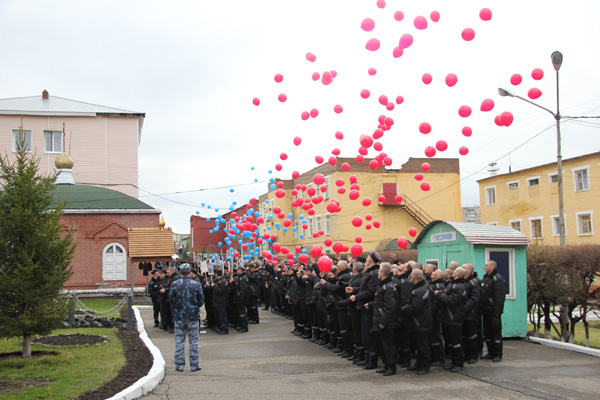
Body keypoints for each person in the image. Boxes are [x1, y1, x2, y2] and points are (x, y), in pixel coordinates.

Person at [169, 263, 205, 372]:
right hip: (193, 316)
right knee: (194, 341)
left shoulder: (174, 284)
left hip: (179, 316)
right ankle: (194, 364)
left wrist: (177, 307)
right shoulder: (196, 284)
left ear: (180, 272)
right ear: (190, 272)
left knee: (179, 340)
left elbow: (171, 300)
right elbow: (201, 300)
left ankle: (179, 365)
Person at [399, 269, 432, 375]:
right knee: (418, 345)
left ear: (413, 277)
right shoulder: (421, 288)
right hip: (419, 321)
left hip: (421, 321)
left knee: (423, 346)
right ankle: (418, 363)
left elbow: (415, 308)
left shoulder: (419, 291)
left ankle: (425, 366)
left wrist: (402, 310)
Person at [435, 267, 467, 372]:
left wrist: (439, 294)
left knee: (456, 342)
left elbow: (450, 301)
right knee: (451, 342)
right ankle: (453, 362)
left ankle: (458, 363)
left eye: (455, 271)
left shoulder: (459, 287)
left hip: (454, 317)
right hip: (448, 317)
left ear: (457, 274)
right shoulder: (452, 284)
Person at [371, 262, 397, 376]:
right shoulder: (381, 285)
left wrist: (383, 322)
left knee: (388, 345)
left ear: (382, 273)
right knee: (382, 345)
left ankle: (391, 367)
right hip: (379, 319)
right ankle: (386, 365)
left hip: (386, 322)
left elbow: (389, 307)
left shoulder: (389, 287)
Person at [480, 260, 506, 362]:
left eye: (486, 265)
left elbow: (499, 297)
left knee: (495, 334)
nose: (484, 267)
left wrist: (497, 312)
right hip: (485, 311)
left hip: (494, 312)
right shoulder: (485, 277)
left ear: (492, 268)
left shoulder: (497, 279)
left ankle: (498, 354)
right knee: (487, 333)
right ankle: (490, 352)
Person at [462, 263, 481, 364]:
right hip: (462, 314)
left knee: (471, 335)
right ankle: (466, 354)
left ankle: (474, 355)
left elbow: (474, 298)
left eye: (464, 268)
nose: (462, 268)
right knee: (464, 335)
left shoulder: (473, 283)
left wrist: (465, 308)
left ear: (469, 271)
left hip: (470, 313)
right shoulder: (463, 282)